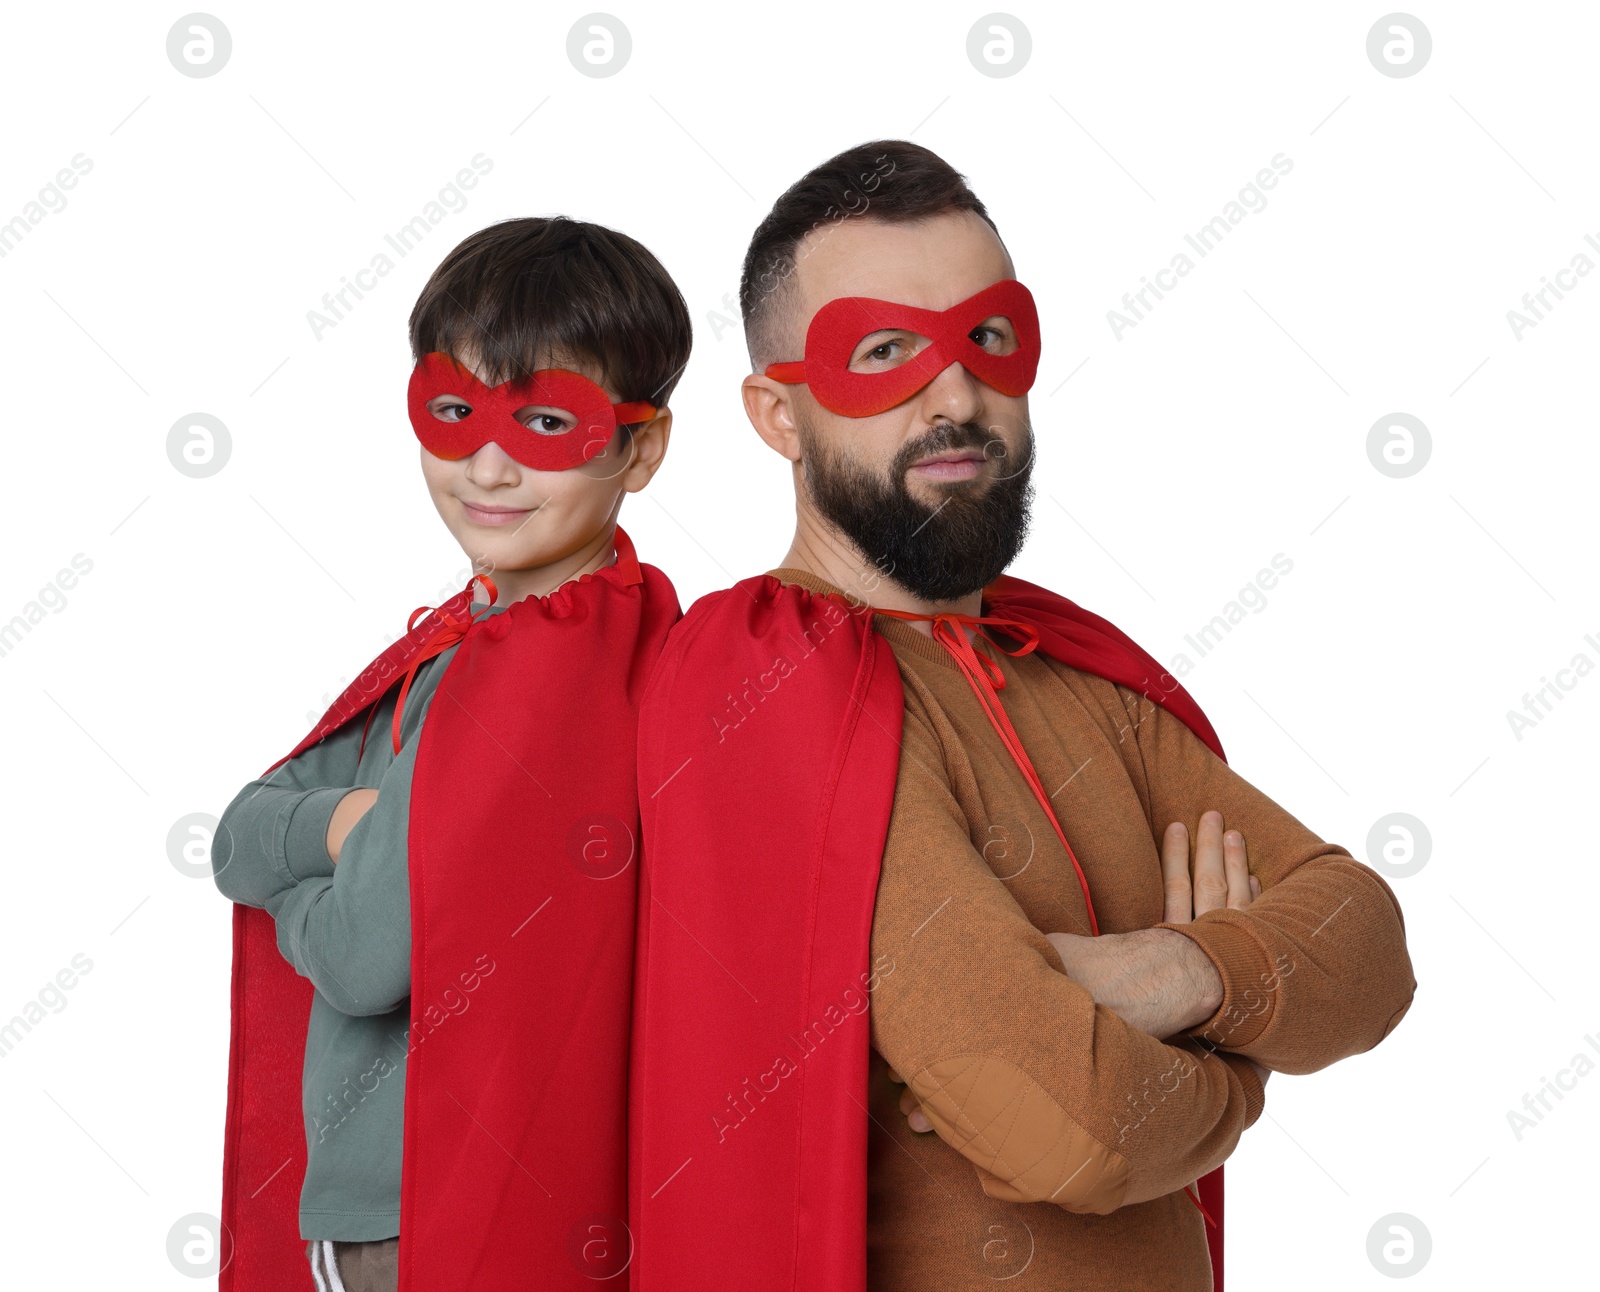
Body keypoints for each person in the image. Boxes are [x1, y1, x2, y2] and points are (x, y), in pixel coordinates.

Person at [627, 141, 1416, 1290]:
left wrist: (1171, 969)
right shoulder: (764, 686)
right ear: (777, 413)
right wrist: (1244, 1050)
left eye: (986, 338)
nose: (955, 395)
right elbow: (1075, 1126)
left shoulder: (1079, 672)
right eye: (884, 352)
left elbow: (1372, 948)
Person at [211, 216, 689, 1292]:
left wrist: (295, 890)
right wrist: (341, 826)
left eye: (548, 423)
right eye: (454, 411)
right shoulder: (466, 642)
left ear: (640, 447)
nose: (487, 461)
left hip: (431, 1213)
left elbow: (356, 955)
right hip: (439, 1205)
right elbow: (241, 826)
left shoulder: (546, 668)